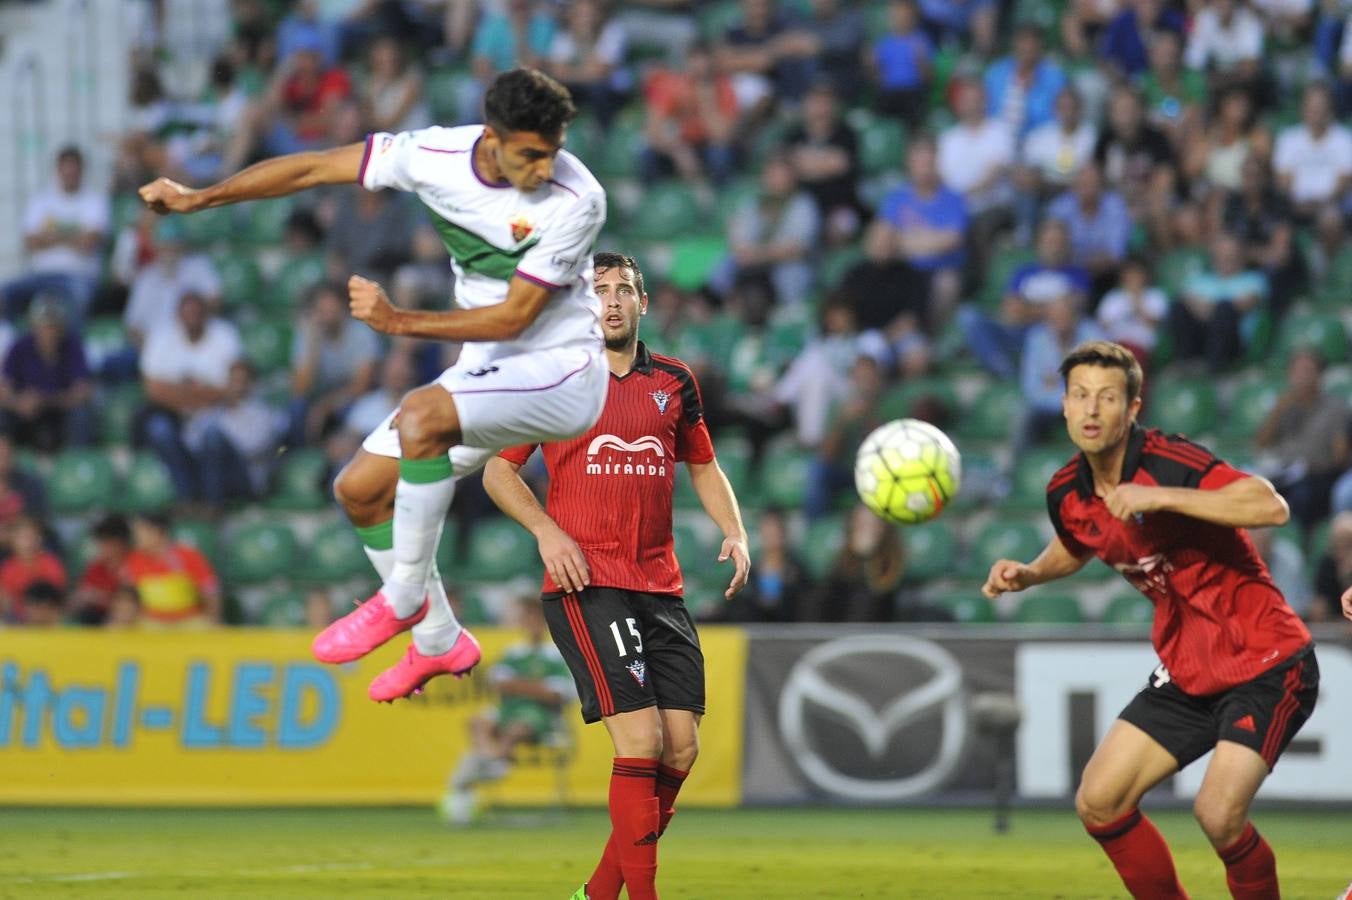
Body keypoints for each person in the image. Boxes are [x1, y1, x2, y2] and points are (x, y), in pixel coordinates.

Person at [140, 69, 608, 701]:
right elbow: (311, 169)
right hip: (488, 370)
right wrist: (200, 197)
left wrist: (398, 322)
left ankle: (403, 597)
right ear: (492, 139)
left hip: (564, 369)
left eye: (553, 151)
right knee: (358, 490)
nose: (544, 166)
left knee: (420, 416)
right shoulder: (432, 156)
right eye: (531, 153)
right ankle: (441, 640)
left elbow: (516, 316)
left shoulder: (578, 198)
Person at [981, 340, 1317, 900]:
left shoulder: (1168, 461)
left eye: (1107, 397)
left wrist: (1161, 497)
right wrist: (1030, 574)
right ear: (1062, 405)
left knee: (1217, 814)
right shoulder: (1066, 491)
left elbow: (1269, 507)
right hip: (1188, 670)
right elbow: (1077, 543)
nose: (1091, 411)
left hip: (1266, 661)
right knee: (1099, 800)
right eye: (1080, 396)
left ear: (1132, 408)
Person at [482, 252, 750, 900]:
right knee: (642, 738)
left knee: (680, 749)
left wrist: (735, 531)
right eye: (598, 291)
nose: (610, 301)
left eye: (623, 289)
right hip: (587, 581)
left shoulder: (676, 381)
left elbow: (705, 465)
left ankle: (598, 894)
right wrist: (547, 532)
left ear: (643, 303)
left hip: (660, 583)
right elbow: (497, 470)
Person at [442, 597, 574, 825]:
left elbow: (559, 693)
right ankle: (494, 760)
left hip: (542, 715)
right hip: (508, 709)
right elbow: (498, 682)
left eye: (537, 620)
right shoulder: (514, 652)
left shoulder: (556, 654)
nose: (533, 625)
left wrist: (519, 686)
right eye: (528, 620)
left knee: (518, 727)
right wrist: (537, 687)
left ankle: (481, 768)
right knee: (477, 722)